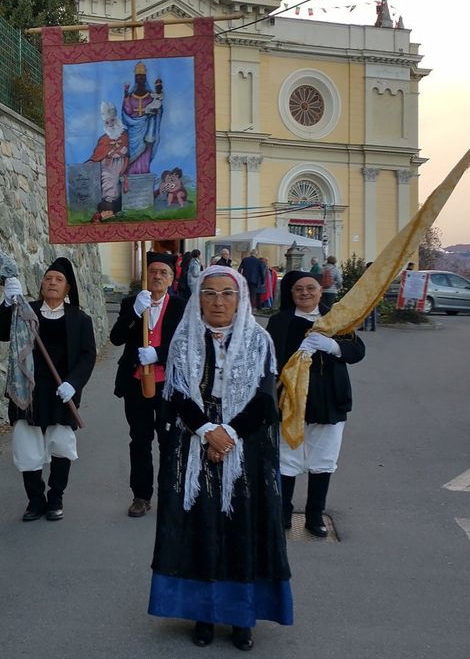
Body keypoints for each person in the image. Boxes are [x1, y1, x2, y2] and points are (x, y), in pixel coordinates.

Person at [149, 266, 293, 650]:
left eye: (227, 293)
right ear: (198, 298)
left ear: (241, 298)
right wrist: (206, 430)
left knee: (242, 527)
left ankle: (242, 618)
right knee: (200, 527)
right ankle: (204, 615)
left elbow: (265, 398)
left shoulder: (259, 340)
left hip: (246, 449)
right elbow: (178, 394)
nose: (218, 301)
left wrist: (228, 433)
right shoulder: (184, 339)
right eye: (209, 293)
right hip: (192, 445)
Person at [0, 257, 96, 522]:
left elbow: (87, 355)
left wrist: (73, 383)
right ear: (41, 285)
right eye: (48, 278)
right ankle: (35, 501)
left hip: (62, 391)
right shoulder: (26, 311)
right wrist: (7, 304)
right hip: (29, 390)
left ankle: (55, 498)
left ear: (67, 288)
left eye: (58, 280)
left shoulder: (80, 319)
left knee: (61, 445)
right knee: (28, 448)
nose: (52, 283)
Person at [266, 270, 365, 537]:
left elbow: (357, 351)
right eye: (298, 289)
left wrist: (332, 346)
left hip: (329, 399)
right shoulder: (280, 321)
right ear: (291, 293)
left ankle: (314, 515)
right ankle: (283, 512)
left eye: (311, 288)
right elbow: (268, 359)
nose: (305, 293)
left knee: (323, 458)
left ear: (321, 291)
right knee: (287, 457)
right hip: (291, 400)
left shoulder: (336, 319)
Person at [109, 253, 187, 517]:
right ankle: (141, 496)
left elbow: (187, 344)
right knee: (140, 441)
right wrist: (134, 312)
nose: (157, 276)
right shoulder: (132, 302)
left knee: (169, 441)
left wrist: (159, 354)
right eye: (153, 271)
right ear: (146, 275)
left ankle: (170, 494)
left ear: (172, 279)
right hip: (135, 384)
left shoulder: (181, 306)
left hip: (168, 386)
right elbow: (116, 338)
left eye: (163, 272)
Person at [122, 61, 164, 174]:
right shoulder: (130, 96)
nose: (140, 78)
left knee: (146, 149)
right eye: (138, 76)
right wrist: (126, 96)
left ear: (145, 78)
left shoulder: (151, 96)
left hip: (147, 129)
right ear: (135, 78)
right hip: (133, 130)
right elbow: (127, 112)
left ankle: (144, 172)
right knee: (132, 153)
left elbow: (158, 109)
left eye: (142, 76)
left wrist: (155, 112)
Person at [86, 101, 129, 209]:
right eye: (107, 122)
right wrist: (92, 160)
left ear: (117, 120)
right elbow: (98, 154)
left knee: (116, 181)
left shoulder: (125, 135)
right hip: (107, 165)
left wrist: (123, 152)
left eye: (112, 120)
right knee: (109, 179)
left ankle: (114, 205)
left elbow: (129, 150)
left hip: (121, 164)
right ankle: (108, 205)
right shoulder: (103, 139)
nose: (111, 124)